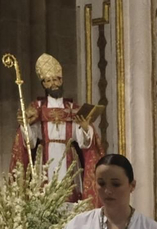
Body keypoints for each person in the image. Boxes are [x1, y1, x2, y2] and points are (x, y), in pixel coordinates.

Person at [10, 52, 100, 203]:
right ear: (44, 84)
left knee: (70, 198)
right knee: (46, 197)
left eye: (56, 80)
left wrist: (85, 128)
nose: (53, 84)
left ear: (62, 80)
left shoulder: (72, 108)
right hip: (46, 156)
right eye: (49, 80)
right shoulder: (37, 108)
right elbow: (30, 142)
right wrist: (25, 125)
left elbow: (83, 141)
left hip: (68, 157)